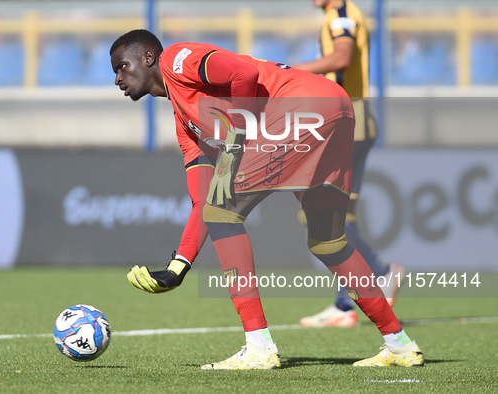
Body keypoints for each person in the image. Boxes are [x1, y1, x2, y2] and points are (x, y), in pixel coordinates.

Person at [110, 29, 423, 369]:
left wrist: (235, 137)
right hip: (335, 107)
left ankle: (259, 347)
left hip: (303, 106)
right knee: (328, 242)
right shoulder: (185, 124)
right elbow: (205, 201)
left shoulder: (177, 58)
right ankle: (400, 345)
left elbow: (243, 74)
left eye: (121, 67)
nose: (117, 79)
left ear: (148, 58)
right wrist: (178, 267)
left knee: (224, 213)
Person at [292, 0, 405, 328]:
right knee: (331, 216)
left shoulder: (342, 16)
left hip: (348, 127)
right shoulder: (336, 15)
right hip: (344, 126)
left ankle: (377, 275)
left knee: (324, 214)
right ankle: (348, 303)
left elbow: (342, 57)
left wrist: (293, 72)